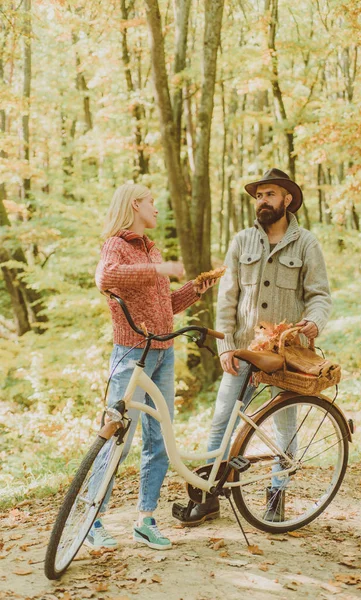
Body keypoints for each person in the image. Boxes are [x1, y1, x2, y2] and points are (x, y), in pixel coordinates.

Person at [177, 167, 332, 526]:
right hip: (244, 350)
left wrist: (314, 322)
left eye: (270, 195)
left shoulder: (306, 243)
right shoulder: (241, 241)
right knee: (221, 421)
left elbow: (320, 296)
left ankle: (276, 494)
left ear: (287, 199)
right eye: (259, 195)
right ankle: (208, 495)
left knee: (284, 427)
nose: (263, 201)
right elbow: (228, 296)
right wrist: (227, 345)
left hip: (285, 353)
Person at [87, 182, 215, 550]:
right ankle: (92, 519)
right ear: (134, 205)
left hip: (163, 353)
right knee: (118, 438)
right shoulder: (117, 245)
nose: (156, 209)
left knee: (159, 440)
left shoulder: (150, 248)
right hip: (131, 354)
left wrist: (194, 289)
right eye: (151, 203)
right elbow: (105, 278)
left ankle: (146, 519)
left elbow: (164, 308)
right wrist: (158, 268)